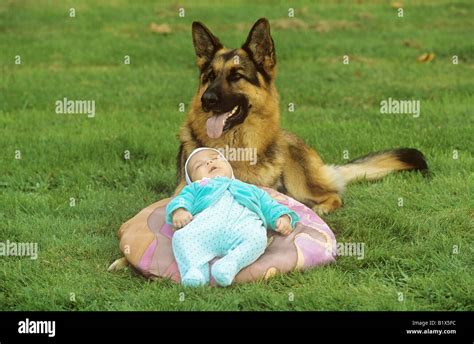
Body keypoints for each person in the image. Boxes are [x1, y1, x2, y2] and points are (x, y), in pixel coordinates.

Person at [166, 147, 299, 287]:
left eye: (216, 158)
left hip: (241, 229)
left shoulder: (249, 188)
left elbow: (269, 205)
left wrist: (282, 217)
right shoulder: (196, 188)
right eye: (199, 165)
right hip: (204, 230)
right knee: (181, 238)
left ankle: (230, 264)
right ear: (192, 180)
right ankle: (195, 270)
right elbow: (181, 199)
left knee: (258, 238)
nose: (209, 162)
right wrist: (180, 210)